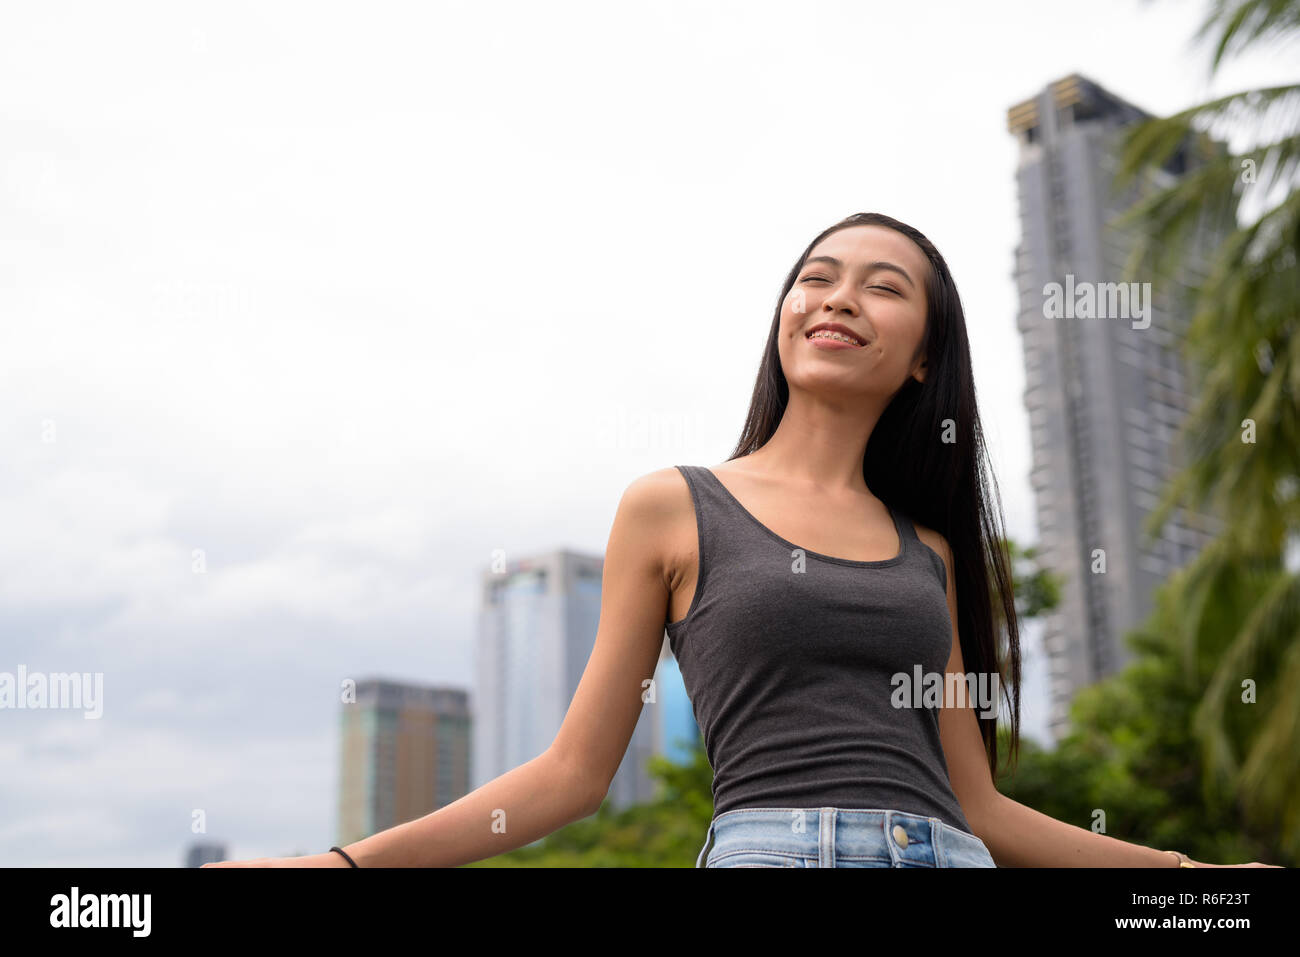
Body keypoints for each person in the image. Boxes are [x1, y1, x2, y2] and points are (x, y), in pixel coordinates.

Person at [205, 212, 1278, 868]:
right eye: (817, 276)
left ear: (920, 361)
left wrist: (1180, 874)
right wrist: (345, 866)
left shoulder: (934, 555)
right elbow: (572, 775)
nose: (837, 298)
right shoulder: (672, 505)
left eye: (882, 287)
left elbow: (979, 804)